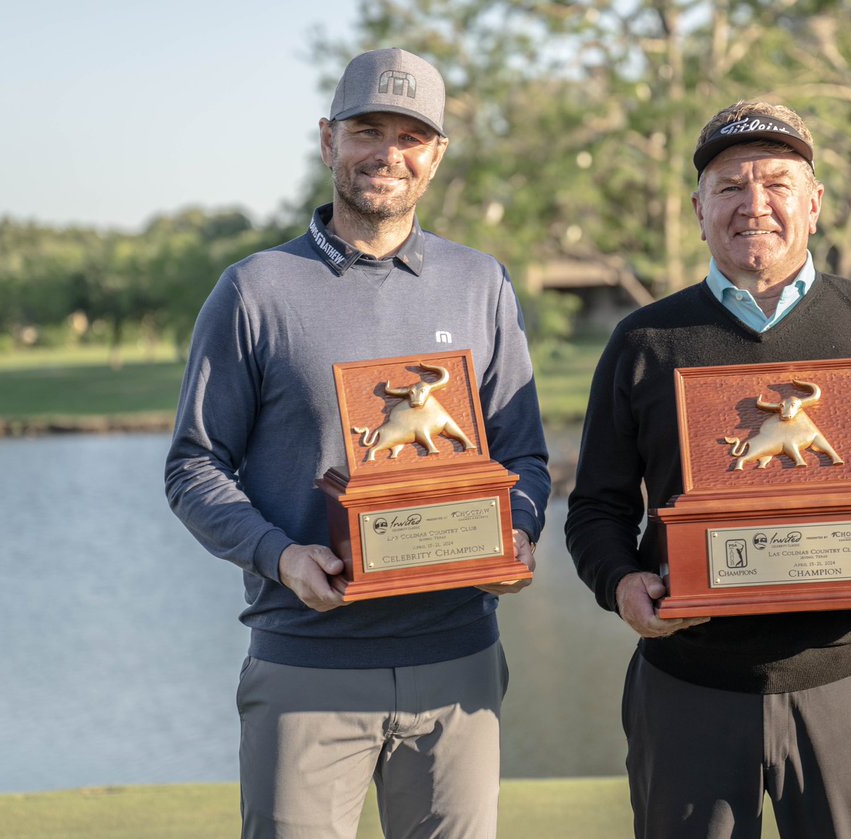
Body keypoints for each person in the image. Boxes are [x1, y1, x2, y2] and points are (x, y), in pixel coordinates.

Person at [564, 100, 851, 839]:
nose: (752, 205)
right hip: (688, 690)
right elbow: (595, 510)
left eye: (776, 183)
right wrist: (622, 583)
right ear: (699, 209)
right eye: (730, 186)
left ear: (814, 204)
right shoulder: (643, 341)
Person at [165, 48, 549, 839]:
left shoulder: (482, 283)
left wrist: (518, 533)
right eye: (367, 130)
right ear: (327, 140)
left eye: (411, 137)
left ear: (436, 156)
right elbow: (193, 465)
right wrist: (280, 555)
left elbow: (526, 457)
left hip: (458, 662)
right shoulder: (255, 288)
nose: (388, 154)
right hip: (307, 662)